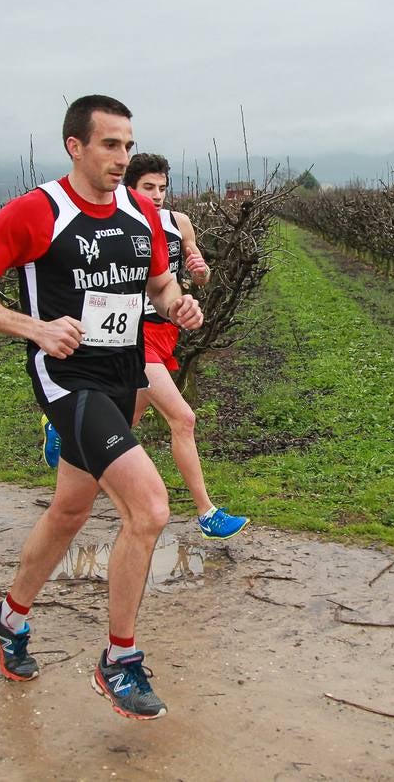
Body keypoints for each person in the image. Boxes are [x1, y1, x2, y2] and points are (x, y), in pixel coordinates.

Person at [0, 95, 202, 720]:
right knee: (150, 507)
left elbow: (158, 283)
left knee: (70, 509)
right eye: (110, 145)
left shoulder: (141, 212)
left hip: (122, 377)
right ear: (74, 146)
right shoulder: (38, 211)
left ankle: (8, 617)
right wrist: (32, 328)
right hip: (67, 381)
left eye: (128, 145)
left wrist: (176, 303)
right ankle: (120, 659)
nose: (122, 158)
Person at [123, 153, 247, 540]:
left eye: (162, 187)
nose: (157, 195)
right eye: (148, 188)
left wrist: (200, 271)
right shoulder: (122, 222)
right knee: (184, 419)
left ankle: (66, 426)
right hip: (133, 332)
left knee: (126, 421)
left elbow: (201, 274)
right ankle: (207, 513)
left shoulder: (180, 222)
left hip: (167, 330)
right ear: (131, 187)